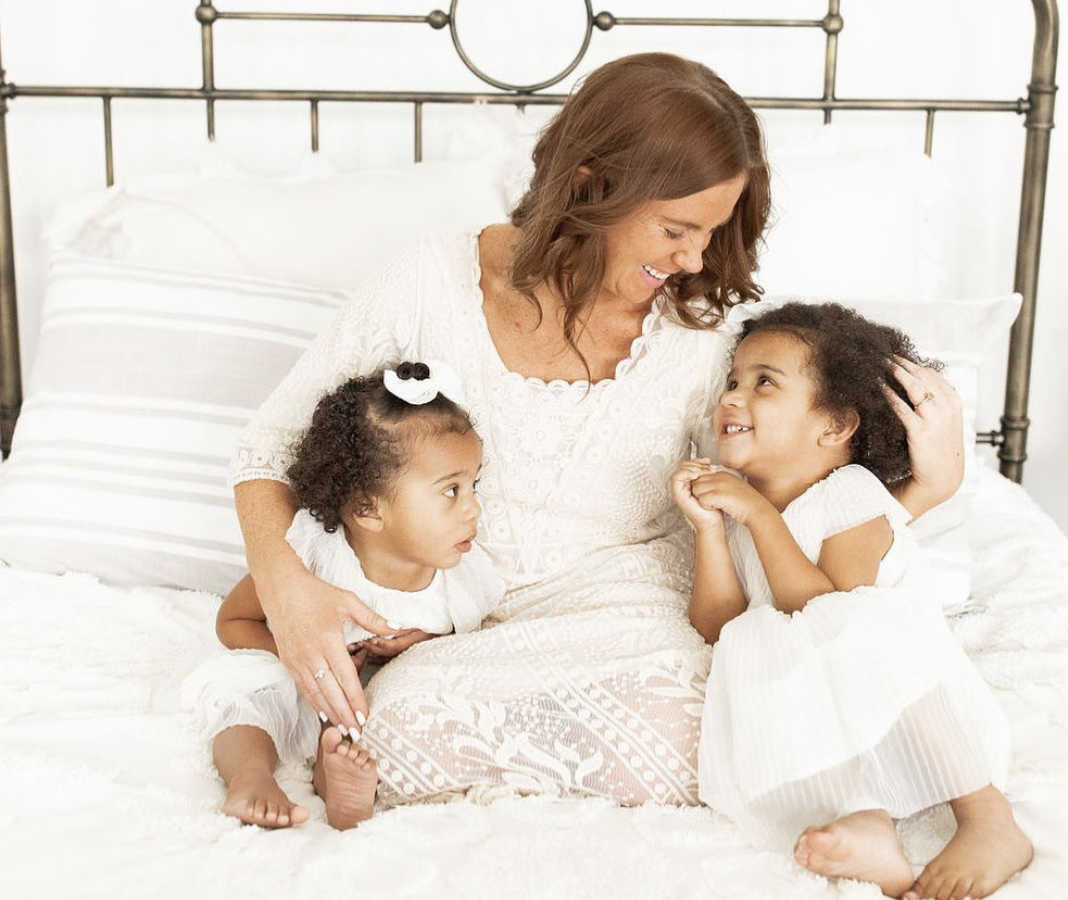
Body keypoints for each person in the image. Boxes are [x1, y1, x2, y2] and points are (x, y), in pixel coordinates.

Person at [229, 52, 965, 808]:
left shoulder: (704, 334)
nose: (694, 258)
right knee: (387, 728)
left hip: (629, 610)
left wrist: (917, 497)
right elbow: (268, 450)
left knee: (727, 715)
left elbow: (776, 493)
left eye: (710, 234)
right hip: (450, 616)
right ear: (589, 185)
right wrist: (289, 591)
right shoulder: (426, 286)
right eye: (678, 229)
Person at [673, 302, 1032, 900]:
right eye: (732, 381)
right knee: (750, 650)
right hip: (819, 704)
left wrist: (760, 517)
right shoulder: (736, 507)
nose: (733, 397)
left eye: (765, 383)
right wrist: (709, 530)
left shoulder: (851, 495)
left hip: (901, 695)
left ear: (835, 427)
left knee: (848, 625)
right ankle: (869, 825)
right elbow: (717, 625)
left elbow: (826, 611)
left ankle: (987, 816)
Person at [184, 362, 503, 828]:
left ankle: (341, 791)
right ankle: (250, 778)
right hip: (290, 677)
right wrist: (297, 659)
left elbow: (460, 648)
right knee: (246, 700)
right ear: (367, 509)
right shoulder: (314, 557)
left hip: (357, 699)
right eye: (451, 491)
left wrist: (410, 644)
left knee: (360, 730)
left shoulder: (462, 575)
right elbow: (233, 622)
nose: (474, 507)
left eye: (473, 485)